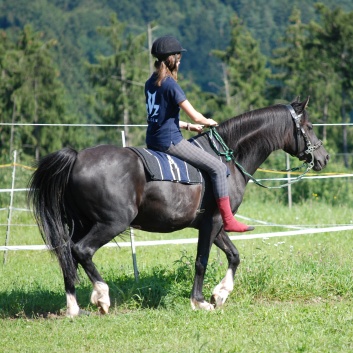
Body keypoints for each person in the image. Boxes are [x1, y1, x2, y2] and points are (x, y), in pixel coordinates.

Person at [145, 35, 254, 233]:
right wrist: (208, 122)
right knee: (219, 168)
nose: (180, 60)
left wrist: (187, 126)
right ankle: (228, 220)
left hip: (153, 140)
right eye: (178, 56)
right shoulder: (171, 85)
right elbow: (196, 116)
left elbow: (160, 117)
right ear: (170, 59)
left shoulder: (150, 83)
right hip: (171, 142)